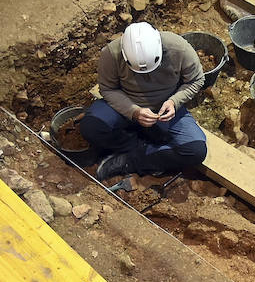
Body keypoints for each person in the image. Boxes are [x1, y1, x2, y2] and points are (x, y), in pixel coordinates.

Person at [87, 22, 207, 182]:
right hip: (126, 104)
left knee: (196, 150)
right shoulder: (112, 53)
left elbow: (197, 80)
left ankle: (129, 161)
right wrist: (134, 111)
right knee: (92, 126)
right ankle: (137, 146)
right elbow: (107, 89)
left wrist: (174, 102)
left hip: (165, 110)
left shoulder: (179, 48)